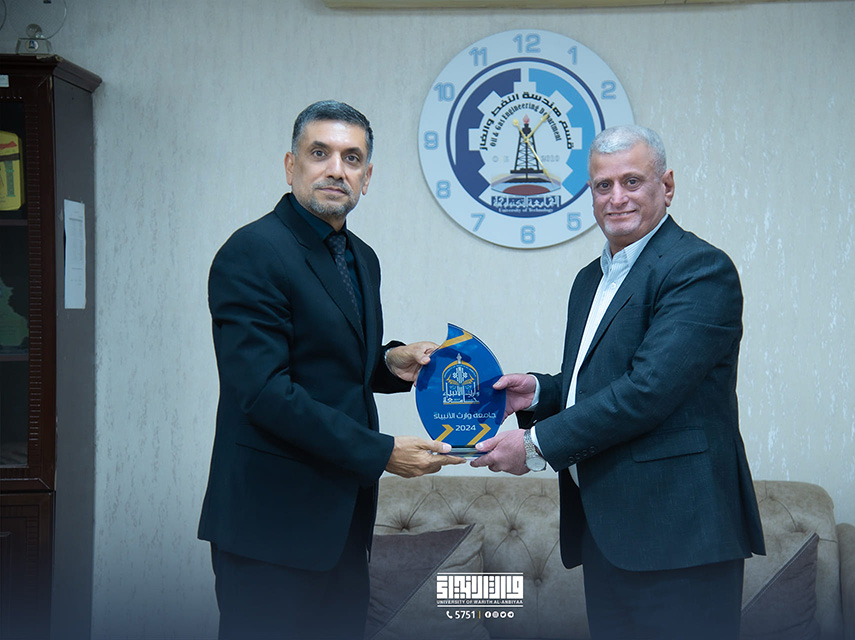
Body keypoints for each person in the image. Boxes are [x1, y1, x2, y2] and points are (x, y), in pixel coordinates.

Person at [472, 124, 765, 640]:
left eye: (632, 181)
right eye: (603, 185)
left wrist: (535, 446)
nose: (617, 198)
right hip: (608, 534)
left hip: (681, 537)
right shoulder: (591, 278)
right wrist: (540, 391)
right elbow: (601, 381)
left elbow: (647, 391)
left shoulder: (698, 269)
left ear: (666, 186)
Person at [198, 100, 463, 640]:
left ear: (367, 177)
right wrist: (382, 452)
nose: (336, 169)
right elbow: (265, 392)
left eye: (352, 158)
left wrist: (388, 362)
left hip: (343, 524)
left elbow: (329, 362)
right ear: (291, 165)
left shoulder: (360, 256)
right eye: (320, 153)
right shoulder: (252, 252)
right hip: (270, 529)